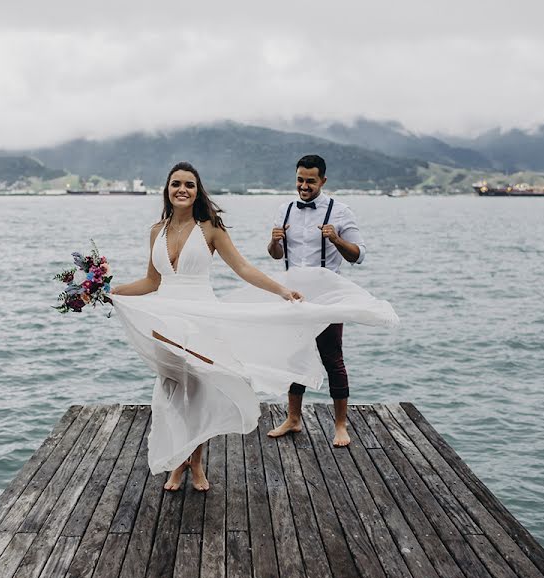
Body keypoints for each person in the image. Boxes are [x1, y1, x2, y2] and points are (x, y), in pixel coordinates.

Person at [110, 162, 397, 492]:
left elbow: (244, 268)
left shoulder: (211, 228)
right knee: (172, 392)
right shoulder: (155, 231)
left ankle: (198, 462)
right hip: (165, 319)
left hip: (202, 317)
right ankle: (177, 463)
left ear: (197, 190)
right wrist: (113, 291)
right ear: (167, 189)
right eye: (176, 184)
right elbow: (151, 281)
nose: (182, 190)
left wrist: (281, 290)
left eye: (189, 185)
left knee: (201, 390)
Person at [266, 154, 365, 447]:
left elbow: (359, 255)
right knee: (295, 357)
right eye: (300, 179)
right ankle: (293, 419)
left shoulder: (341, 212)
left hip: (328, 299)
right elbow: (276, 255)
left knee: (332, 358)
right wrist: (273, 242)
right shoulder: (285, 210)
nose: (304, 185)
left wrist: (336, 240)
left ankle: (340, 425)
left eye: (310, 180)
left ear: (323, 180)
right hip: (294, 298)